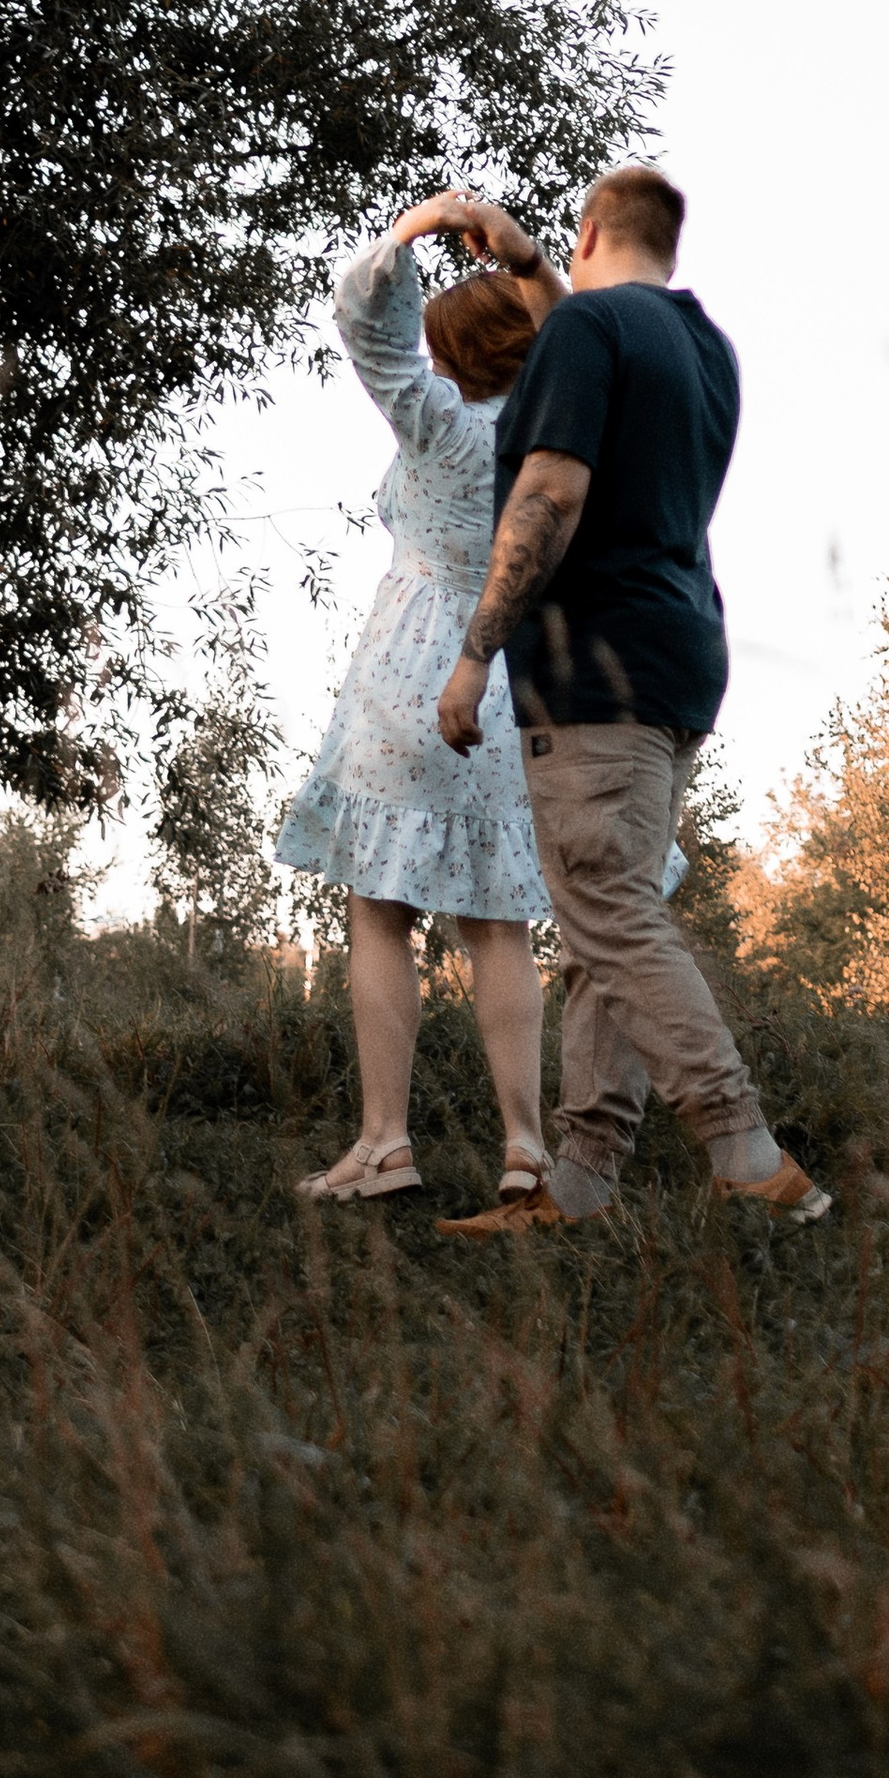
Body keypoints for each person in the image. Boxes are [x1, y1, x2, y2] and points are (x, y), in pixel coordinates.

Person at [432, 165, 831, 1234]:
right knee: (602, 924)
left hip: (592, 658)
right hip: (679, 653)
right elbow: (585, 332)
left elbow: (551, 491)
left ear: (591, 227)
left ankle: (745, 1148)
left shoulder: (586, 335)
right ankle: (581, 1184)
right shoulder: (700, 348)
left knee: (608, 911)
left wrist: (477, 653)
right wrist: (524, 265)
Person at [274, 190, 571, 1207]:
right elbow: (567, 321)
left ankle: (385, 1143)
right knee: (499, 925)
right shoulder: (555, 436)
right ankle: (527, 1149)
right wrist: (528, 260)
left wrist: (412, 229)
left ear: (456, 354)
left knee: (377, 909)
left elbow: (365, 322)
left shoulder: (438, 424)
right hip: (510, 677)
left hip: (412, 675)